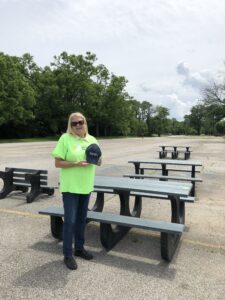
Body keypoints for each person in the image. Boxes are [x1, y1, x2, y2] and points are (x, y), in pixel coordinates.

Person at [52, 112, 101, 270]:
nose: (78, 125)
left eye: (80, 121)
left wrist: (96, 159)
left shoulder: (92, 139)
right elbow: (57, 163)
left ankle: (79, 249)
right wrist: (76, 164)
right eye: (74, 123)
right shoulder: (65, 139)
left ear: (85, 122)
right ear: (70, 126)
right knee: (70, 221)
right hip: (70, 188)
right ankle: (68, 254)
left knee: (81, 220)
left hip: (86, 187)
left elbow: (99, 160)